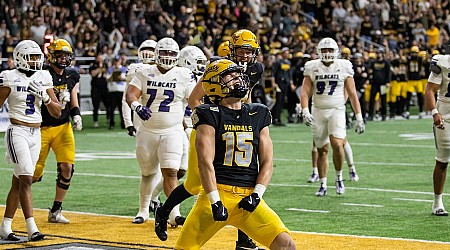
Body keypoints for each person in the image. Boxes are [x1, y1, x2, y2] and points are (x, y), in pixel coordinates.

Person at [154, 29, 265, 250]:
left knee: (246, 178)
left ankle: (243, 238)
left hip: (237, 127)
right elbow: (195, 98)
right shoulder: (218, 67)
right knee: (195, 184)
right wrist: (212, 120)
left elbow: (246, 97)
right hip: (211, 127)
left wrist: (246, 119)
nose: (245, 56)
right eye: (241, 51)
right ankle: (163, 212)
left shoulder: (255, 68)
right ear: (232, 49)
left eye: (249, 51)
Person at [175, 58, 296, 249]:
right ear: (214, 85)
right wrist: (215, 201)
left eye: (238, 75)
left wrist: (257, 194)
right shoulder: (208, 113)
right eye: (229, 76)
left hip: (247, 197)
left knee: (286, 245)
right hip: (217, 194)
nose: (237, 79)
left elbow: (267, 162)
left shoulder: (259, 113)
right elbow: (205, 162)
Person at [126, 37, 196, 225]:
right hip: (147, 131)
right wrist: (136, 106)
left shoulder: (184, 74)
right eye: (164, 52)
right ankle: (143, 210)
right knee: (147, 173)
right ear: (157, 53)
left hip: (172, 131)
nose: (167, 56)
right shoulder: (144, 71)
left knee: (171, 173)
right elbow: (130, 93)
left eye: (171, 53)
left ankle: (173, 214)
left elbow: (194, 99)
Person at [0, 40, 61, 241]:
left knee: (19, 181)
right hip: (17, 131)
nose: (35, 60)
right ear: (19, 57)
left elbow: (57, 110)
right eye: (31, 57)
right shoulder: (8, 77)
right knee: (26, 178)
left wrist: (45, 98)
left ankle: (5, 226)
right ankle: (31, 227)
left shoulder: (44, 76)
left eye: (37, 56)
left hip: (36, 133)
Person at [300, 37, 365, 197]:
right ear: (319, 52)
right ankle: (323, 183)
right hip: (318, 110)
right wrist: (305, 110)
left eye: (330, 50)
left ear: (335, 51)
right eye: (324, 50)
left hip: (337, 109)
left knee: (337, 144)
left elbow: (352, 93)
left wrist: (359, 116)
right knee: (322, 149)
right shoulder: (312, 66)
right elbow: (305, 91)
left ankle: (339, 178)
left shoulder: (344, 66)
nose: (327, 53)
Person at [32, 39, 82, 224]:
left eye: (66, 55)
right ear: (51, 56)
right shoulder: (42, 75)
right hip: (42, 127)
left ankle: (56, 210)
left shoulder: (72, 75)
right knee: (33, 175)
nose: (63, 59)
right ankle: (20, 201)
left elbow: (73, 97)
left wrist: (76, 114)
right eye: (59, 55)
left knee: (67, 168)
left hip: (63, 127)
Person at [425, 48, 450, 216]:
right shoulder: (443, 62)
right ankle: (437, 203)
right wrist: (435, 112)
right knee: (442, 161)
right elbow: (429, 90)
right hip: (446, 115)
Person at [122, 39, 157, 137]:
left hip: (161, 115)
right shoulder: (135, 69)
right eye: (145, 50)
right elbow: (126, 98)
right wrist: (128, 123)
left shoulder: (165, 71)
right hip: (141, 115)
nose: (147, 53)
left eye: (151, 50)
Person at [89, 51, 110, 128]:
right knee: (96, 106)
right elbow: (93, 74)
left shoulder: (105, 65)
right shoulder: (93, 65)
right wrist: (99, 68)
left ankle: (108, 119)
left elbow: (107, 74)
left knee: (108, 104)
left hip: (104, 87)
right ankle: (95, 121)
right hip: (96, 88)